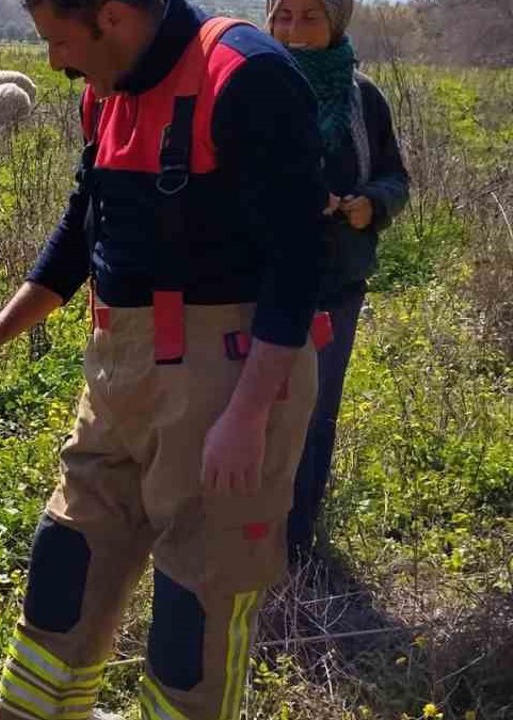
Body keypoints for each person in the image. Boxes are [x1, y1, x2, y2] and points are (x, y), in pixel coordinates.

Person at [0, 0, 331, 716]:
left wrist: (249, 414)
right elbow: (86, 214)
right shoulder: (108, 90)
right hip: (118, 366)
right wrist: (4, 323)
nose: (52, 61)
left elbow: (299, 261)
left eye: (59, 40)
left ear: (113, 15)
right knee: (66, 566)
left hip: (227, 379)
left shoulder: (247, 76)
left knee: (193, 611)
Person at [267, 0, 411, 564]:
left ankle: (296, 540)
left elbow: (395, 175)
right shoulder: (248, 88)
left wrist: (370, 205)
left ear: (338, 24)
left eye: (310, 17)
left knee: (315, 412)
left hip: (335, 285)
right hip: (254, 284)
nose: (294, 32)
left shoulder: (363, 97)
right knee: (247, 408)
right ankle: (242, 534)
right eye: (284, 16)